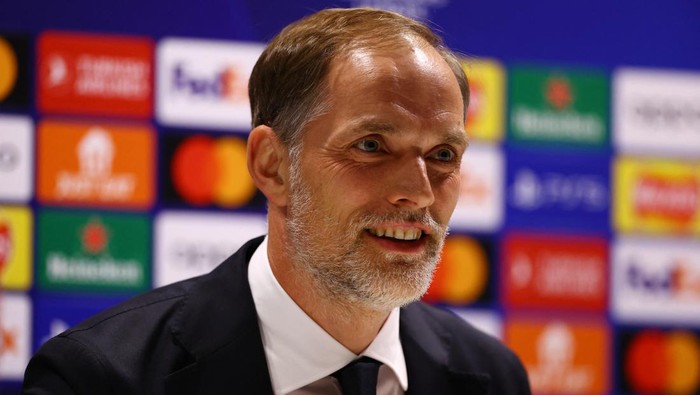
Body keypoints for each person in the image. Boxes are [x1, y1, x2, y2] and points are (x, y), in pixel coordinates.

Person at [23, 7, 531, 395]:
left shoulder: (493, 376)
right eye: (372, 146)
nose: (420, 191)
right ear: (272, 165)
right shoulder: (98, 376)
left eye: (443, 154)